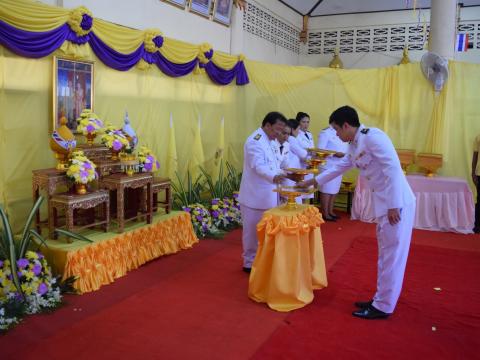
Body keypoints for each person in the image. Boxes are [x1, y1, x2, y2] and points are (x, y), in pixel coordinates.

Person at [299, 106, 415, 319]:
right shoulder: (353, 145)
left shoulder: (373, 137)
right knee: (385, 254)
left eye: (336, 129)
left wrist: (393, 204)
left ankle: (383, 306)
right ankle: (381, 298)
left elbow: (393, 168)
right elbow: (338, 168)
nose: (335, 134)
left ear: (346, 125)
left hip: (396, 205)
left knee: (392, 256)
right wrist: (312, 182)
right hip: (385, 204)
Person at [238, 112, 287, 273]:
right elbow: (258, 166)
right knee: (252, 233)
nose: (279, 134)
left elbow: (275, 164)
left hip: (270, 194)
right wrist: (275, 176)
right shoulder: (255, 141)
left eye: (281, 131)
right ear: (267, 125)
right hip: (254, 196)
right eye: (277, 130)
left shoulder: (270, 140)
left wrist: (287, 174)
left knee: (266, 232)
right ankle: (249, 263)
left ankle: (263, 260)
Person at [317, 125, 348, 221]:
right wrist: (334, 154)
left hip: (339, 165)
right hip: (328, 165)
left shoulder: (341, 130)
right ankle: (325, 213)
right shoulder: (325, 133)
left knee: (334, 189)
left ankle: (330, 211)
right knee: (326, 190)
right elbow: (320, 150)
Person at [296, 112, 315, 202]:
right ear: (298, 122)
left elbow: (312, 149)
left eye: (308, 122)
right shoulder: (296, 135)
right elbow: (299, 152)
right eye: (303, 122)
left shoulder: (309, 134)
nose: (306, 124)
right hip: (301, 165)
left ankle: (305, 213)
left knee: (307, 193)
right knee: (301, 193)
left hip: (310, 165)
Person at [472, 134, 480, 233]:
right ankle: (477, 227)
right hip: (479, 173)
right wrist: (473, 172)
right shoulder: (478, 137)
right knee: (479, 200)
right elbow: (475, 154)